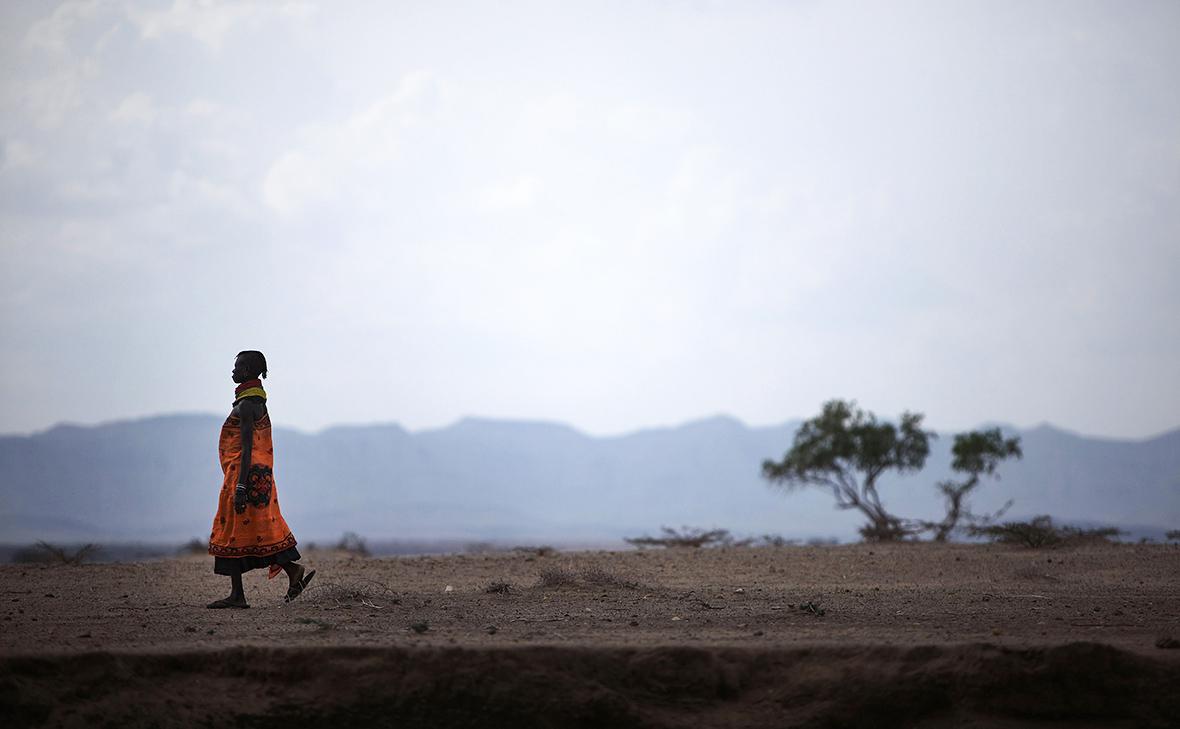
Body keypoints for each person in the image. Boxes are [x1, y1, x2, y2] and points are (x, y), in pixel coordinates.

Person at [207, 350, 314, 608]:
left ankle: (237, 596)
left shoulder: (246, 406)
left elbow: (246, 448)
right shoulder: (258, 402)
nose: (233, 372)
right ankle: (293, 571)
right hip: (261, 477)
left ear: (246, 372)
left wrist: (241, 486)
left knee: (232, 529)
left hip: (243, 477)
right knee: (258, 529)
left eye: (237, 367)